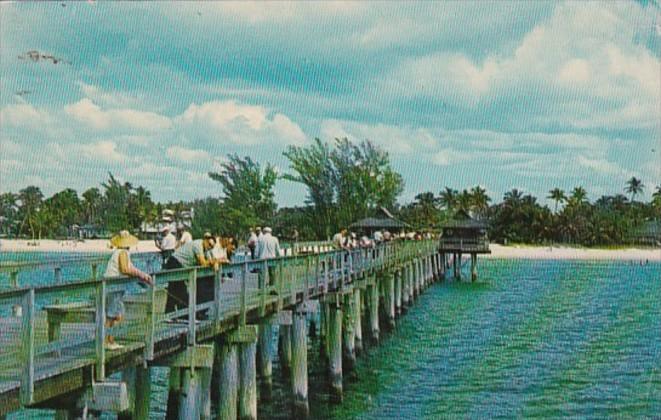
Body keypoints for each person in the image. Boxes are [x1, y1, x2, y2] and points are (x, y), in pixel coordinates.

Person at [104, 230, 153, 350]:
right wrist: (141, 275)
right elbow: (125, 269)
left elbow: (130, 268)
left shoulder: (122, 252)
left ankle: (109, 340)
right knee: (114, 316)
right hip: (113, 285)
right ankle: (107, 341)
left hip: (115, 286)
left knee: (115, 315)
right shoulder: (122, 253)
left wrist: (142, 275)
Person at [164, 232, 217, 313]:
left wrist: (214, 262)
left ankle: (173, 313)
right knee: (177, 289)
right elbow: (203, 263)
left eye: (212, 247)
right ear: (205, 240)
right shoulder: (198, 245)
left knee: (175, 289)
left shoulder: (206, 250)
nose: (209, 247)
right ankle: (177, 313)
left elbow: (211, 260)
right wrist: (213, 262)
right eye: (209, 244)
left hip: (181, 265)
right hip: (175, 262)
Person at [256, 227, 280, 292]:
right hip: (272, 258)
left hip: (262, 259)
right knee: (272, 274)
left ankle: (261, 290)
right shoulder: (275, 239)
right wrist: (278, 258)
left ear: (263, 232)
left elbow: (256, 251)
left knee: (261, 274)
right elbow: (278, 251)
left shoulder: (260, 239)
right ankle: (272, 289)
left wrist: (256, 259)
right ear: (270, 232)